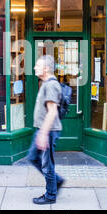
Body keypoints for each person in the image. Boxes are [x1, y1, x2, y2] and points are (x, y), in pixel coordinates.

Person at [27, 55, 65, 205]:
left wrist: (43, 134)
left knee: (47, 165)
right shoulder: (45, 83)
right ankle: (57, 181)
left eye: (37, 65)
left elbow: (52, 111)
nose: (34, 67)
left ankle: (50, 195)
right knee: (32, 157)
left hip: (48, 131)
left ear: (46, 68)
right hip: (43, 130)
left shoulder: (50, 85)